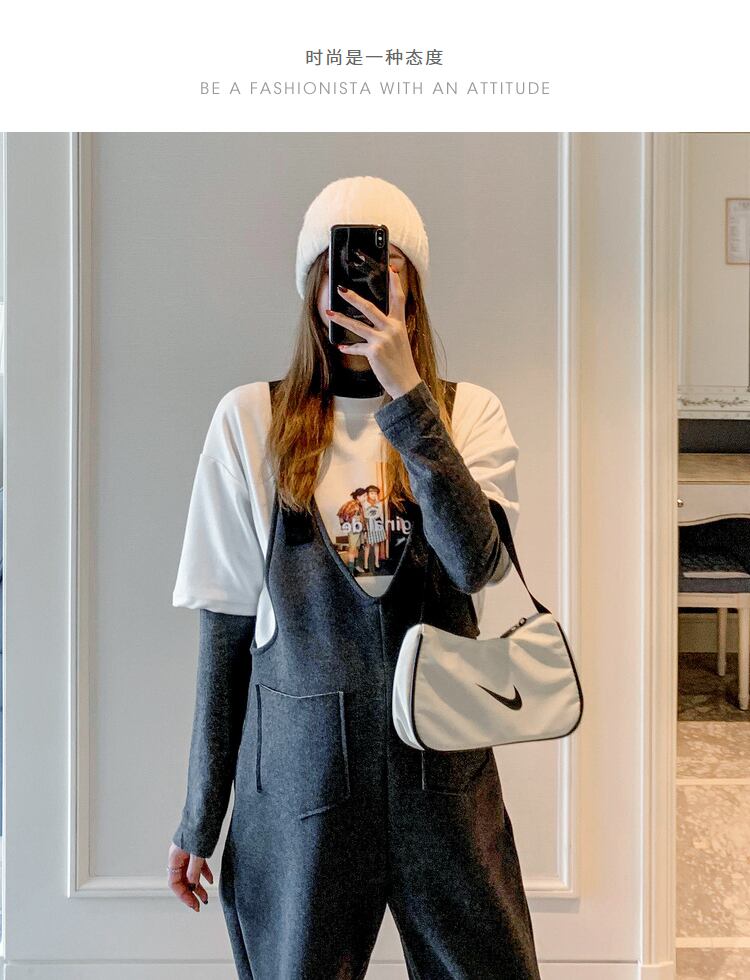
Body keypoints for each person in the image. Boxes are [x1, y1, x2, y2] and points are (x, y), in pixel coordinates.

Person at [167, 175, 542, 979]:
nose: (356, 291)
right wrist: (200, 815)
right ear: (312, 286)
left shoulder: (467, 414)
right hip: (297, 792)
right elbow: (226, 635)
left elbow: (475, 564)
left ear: (414, 294)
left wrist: (408, 397)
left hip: (444, 785)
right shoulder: (251, 421)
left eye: (382, 270)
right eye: (339, 270)